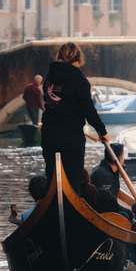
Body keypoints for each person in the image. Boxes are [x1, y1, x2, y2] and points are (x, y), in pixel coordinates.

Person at [40, 42, 109, 195]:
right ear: (78, 59)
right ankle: (71, 213)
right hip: (71, 137)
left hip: (49, 134)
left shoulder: (50, 78)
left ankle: (53, 212)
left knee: (51, 177)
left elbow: (50, 104)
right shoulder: (80, 81)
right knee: (73, 180)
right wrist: (102, 131)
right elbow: (88, 110)